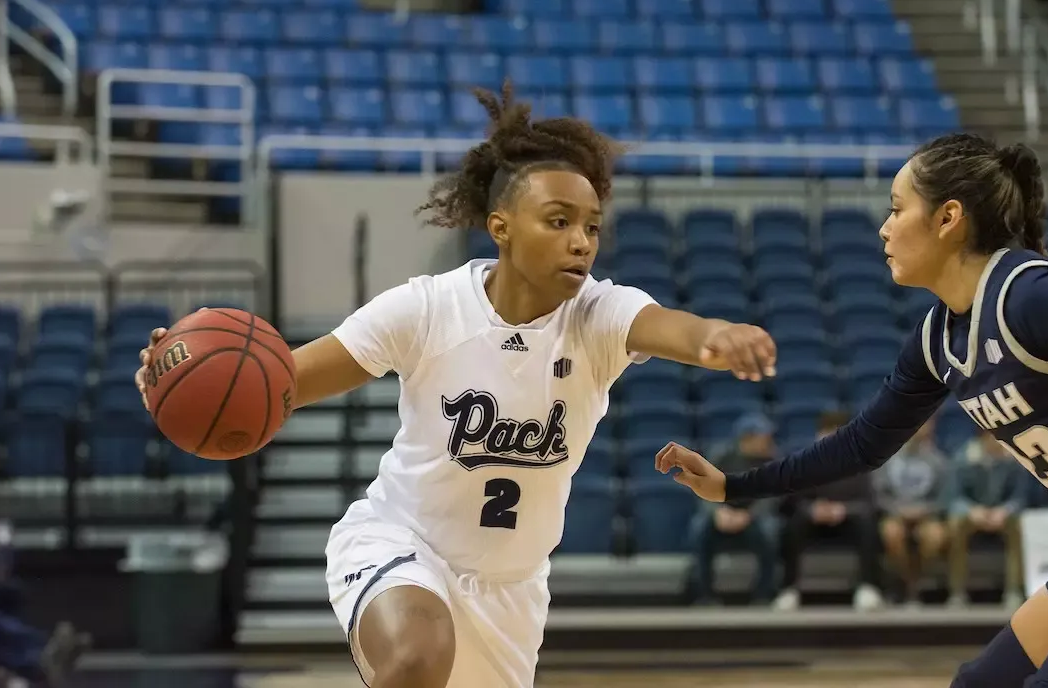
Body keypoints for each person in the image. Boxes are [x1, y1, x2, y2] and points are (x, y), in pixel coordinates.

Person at [136, 82, 778, 688]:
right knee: (418, 656)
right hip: (401, 543)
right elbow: (281, 385)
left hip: (510, 591)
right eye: (558, 221)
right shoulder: (425, 310)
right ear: (501, 227)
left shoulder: (599, 315)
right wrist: (178, 378)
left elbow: (668, 327)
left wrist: (713, 337)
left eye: (591, 226)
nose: (581, 241)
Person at [656, 133, 1048, 688]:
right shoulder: (937, 338)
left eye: (896, 208)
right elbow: (862, 445)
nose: (884, 228)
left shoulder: (1037, 297)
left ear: (948, 218)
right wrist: (734, 487)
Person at [773, 412, 884, 612]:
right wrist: (812, 509)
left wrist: (844, 510)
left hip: (848, 521)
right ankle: (789, 589)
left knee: (867, 523)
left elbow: (870, 502)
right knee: (794, 523)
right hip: (814, 522)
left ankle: (868, 587)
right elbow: (790, 502)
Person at [686, 413, 781, 605]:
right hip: (723, 514)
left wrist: (748, 515)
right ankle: (705, 595)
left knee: (770, 531)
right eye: (764, 437)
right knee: (699, 529)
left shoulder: (772, 459)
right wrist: (718, 512)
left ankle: (763, 595)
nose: (769, 442)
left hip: (754, 516)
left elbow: (773, 495)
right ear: (747, 438)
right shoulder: (721, 456)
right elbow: (702, 488)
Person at [945, 432, 1030, 609]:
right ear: (983, 438)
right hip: (973, 513)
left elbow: (1020, 497)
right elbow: (954, 496)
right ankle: (957, 592)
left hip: (1002, 515)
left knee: (1020, 526)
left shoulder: (1013, 459)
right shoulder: (963, 458)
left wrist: (1005, 510)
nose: (998, 443)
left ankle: (1014, 590)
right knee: (955, 525)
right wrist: (971, 510)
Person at [873, 415, 948, 605]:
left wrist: (925, 510)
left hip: (926, 515)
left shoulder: (938, 460)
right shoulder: (887, 458)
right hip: (896, 514)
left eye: (927, 424)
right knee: (891, 533)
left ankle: (916, 582)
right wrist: (898, 510)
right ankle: (905, 584)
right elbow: (879, 495)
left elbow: (944, 496)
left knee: (935, 536)